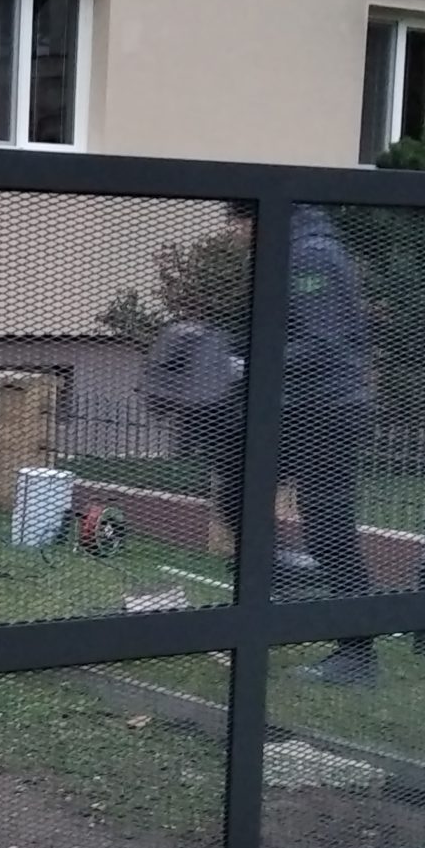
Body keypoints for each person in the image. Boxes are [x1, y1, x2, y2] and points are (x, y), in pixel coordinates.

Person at [162, 202, 377, 687]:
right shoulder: (286, 253)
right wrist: (214, 347)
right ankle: (270, 594)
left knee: (329, 526)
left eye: (235, 224)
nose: (234, 236)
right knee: (238, 491)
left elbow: (324, 345)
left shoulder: (312, 256)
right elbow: (273, 330)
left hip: (328, 410)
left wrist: (242, 364)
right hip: (291, 407)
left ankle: (357, 655)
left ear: (253, 219)